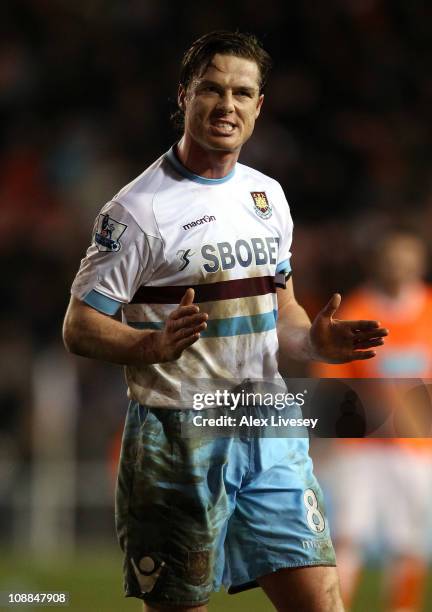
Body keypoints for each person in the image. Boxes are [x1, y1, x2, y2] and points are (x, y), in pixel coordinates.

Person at [63, 31, 388, 612]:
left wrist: (313, 342)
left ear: (259, 106)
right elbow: (80, 326)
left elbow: (282, 313)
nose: (226, 106)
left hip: (267, 425)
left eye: (242, 93)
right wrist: (150, 346)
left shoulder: (269, 197)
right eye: (212, 89)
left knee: (323, 602)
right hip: (177, 436)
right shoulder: (138, 211)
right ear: (185, 95)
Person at [312, 231, 432, 612]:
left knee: (409, 541)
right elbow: (329, 379)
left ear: (420, 263)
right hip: (360, 446)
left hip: (415, 448)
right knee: (348, 536)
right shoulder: (357, 309)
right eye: (392, 258)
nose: (398, 267)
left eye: (406, 259)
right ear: (377, 263)